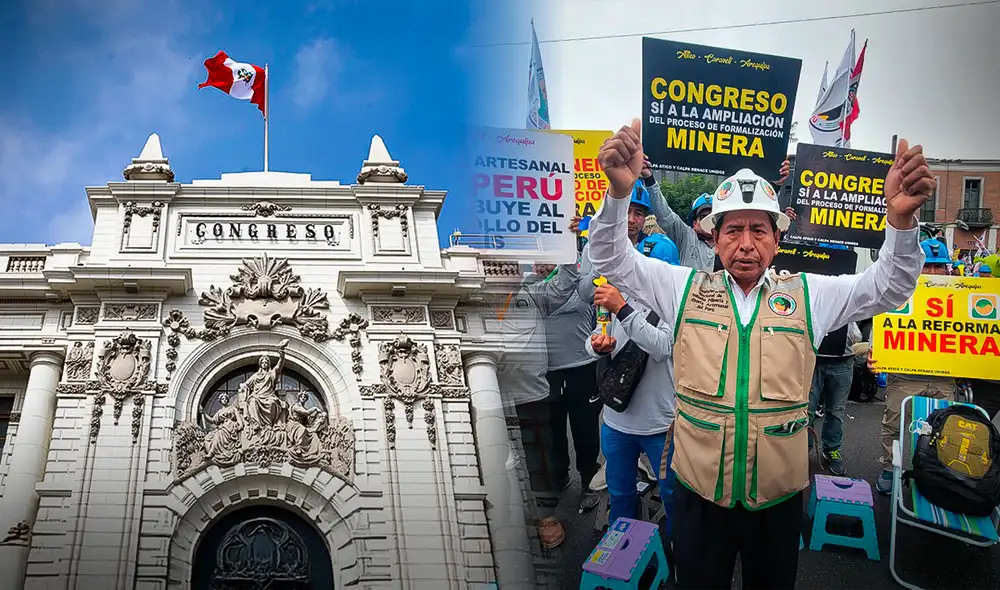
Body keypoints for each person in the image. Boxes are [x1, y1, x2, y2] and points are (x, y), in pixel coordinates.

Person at [590, 119, 932, 590]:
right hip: (698, 495)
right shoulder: (683, 288)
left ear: (777, 239)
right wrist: (617, 194)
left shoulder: (809, 294)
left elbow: (889, 286)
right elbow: (609, 258)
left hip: (776, 502)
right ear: (714, 237)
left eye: (758, 230)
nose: (745, 243)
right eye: (732, 231)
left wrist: (900, 223)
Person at [585, 233, 681, 538]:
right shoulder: (619, 295)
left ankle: (680, 559)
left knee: (674, 497)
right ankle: (619, 554)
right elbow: (595, 338)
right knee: (620, 494)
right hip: (616, 423)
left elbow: (662, 346)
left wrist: (624, 310)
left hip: (659, 426)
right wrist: (598, 347)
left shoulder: (674, 305)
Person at [495, 258, 582, 549]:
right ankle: (500, 516)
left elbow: (565, 283)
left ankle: (545, 516)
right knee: (494, 458)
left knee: (539, 457)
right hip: (490, 398)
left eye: (511, 265)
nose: (508, 271)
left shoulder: (532, 293)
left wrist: (565, 252)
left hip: (532, 394)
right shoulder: (471, 297)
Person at [874, 238, 958, 495]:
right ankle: (890, 468)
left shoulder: (961, 296)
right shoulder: (898, 292)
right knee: (894, 424)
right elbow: (884, 329)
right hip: (906, 376)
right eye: (928, 267)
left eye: (939, 267)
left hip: (944, 378)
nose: (933, 273)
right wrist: (875, 354)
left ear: (947, 269)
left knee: (946, 430)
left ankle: (940, 474)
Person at [641, 156, 790, 271]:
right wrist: (649, 178)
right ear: (694, 223)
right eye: (702, 216)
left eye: (713, 215)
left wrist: (772, 188)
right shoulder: (686, 237)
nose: (708, 219)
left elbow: (755, 214)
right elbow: (664, 215)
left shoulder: (734, 239)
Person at [808, 321, 863, 476]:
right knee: (806, 410)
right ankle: (802, 450)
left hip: (843, 361)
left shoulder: (845, 298)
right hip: (813, 359)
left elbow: (857, 335)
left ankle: (832, 449)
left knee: (836, 411)